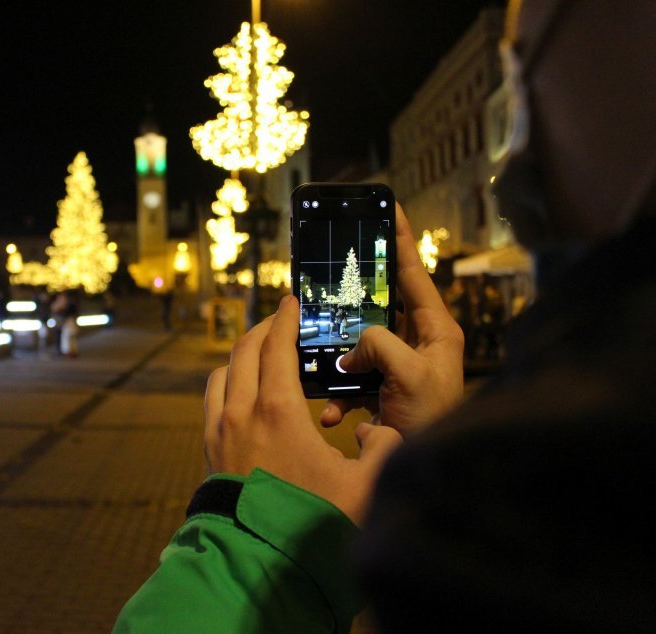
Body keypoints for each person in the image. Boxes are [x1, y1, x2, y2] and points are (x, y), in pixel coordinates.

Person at [115, 1, 655, 632]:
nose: (512, 160)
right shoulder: (551, 497)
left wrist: (253, 539)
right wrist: (438, 470)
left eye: (523, 68)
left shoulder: (543, 518)